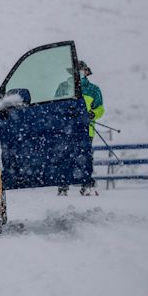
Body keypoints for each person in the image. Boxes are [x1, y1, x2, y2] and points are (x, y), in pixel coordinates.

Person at [56, 60, 104, 196]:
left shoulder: (94, 90)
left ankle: (86, 184)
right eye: (77, 70)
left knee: (85, 157)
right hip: (67, 129)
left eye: (82, 70)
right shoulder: (63, 87)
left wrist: (93, 114)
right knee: (65, 156)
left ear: (87, 72)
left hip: (86, 129)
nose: (80, 72)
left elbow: (100, 108)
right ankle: (63, 185)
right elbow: (56, 106)